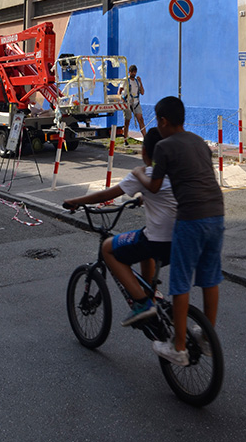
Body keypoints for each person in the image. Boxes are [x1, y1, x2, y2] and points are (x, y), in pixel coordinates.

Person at [133, 95, 224, 367]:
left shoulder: (164, 147)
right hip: (216, 214)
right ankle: (208, 337)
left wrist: (139, 174)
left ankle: (179, 346)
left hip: (191, 218)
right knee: (210, 278)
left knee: (180, 283)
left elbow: (154, 186)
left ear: (163, 120)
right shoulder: (199, 142)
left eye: (157, 122)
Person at [62, 128, 177, 326]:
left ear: (144, 152)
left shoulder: (143, 173)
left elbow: (105, 195)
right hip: (183, 241)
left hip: (159, 242)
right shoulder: (176, 171)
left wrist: (76, 200)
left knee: (108, 248)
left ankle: (143, 303)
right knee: (143, 239)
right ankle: (150, 292)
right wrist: (144, 197)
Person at [120, 64, 146, 145]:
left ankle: (146, 139)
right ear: (129, 72)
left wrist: (140, 82)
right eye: (132, 72)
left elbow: (142, 92)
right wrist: (121, 100)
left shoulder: (137, 81)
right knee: (127, 121)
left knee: (141, 119)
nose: (134, 74)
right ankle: (125, 140)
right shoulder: (125, 80)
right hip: (127, 103)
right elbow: (120, 90)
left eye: (135, 72)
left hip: (136, 103)